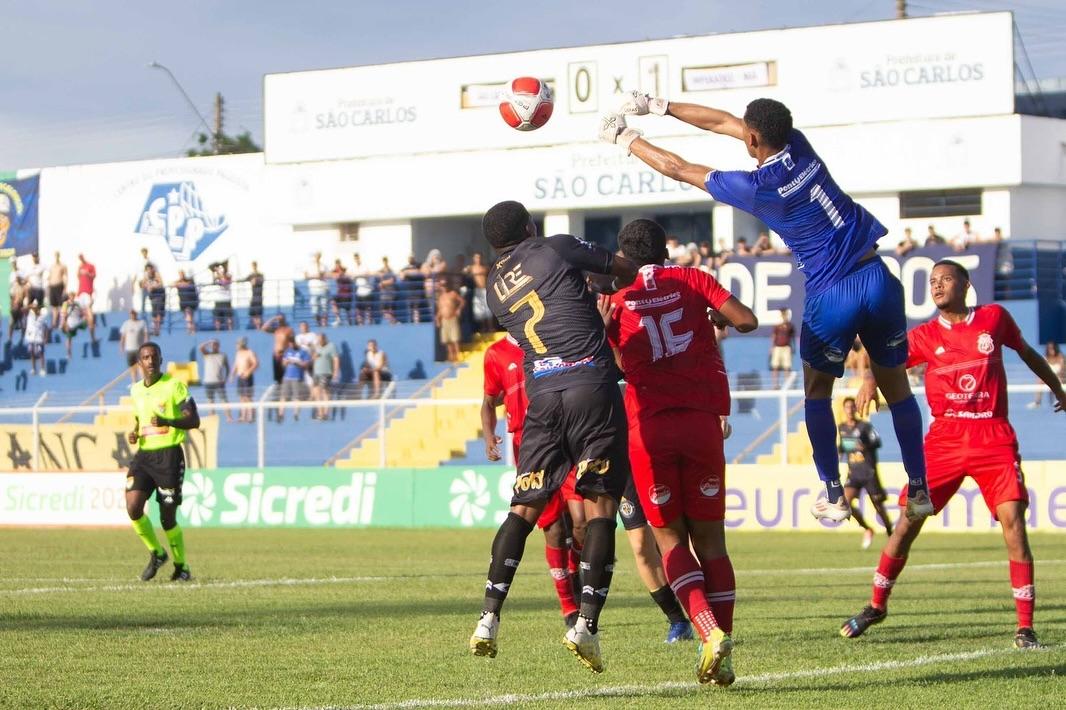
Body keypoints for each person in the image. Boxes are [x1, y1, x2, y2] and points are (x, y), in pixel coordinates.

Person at [602, 93, 933, 524]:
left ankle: (833, 494)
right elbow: (723, 122)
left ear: (754, 136)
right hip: (878, 276)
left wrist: (626, 137)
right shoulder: (798, 145)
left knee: (817, 392)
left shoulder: (757, 188)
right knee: (899, 390)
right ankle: (920, 488)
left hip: (833, 291)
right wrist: (657, 105)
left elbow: (679, 168)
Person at [841, 260, 1066, 649]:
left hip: (992, 435)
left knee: (1013, 522)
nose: (937, 286)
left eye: (945, 279)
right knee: (908, 523)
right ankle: (877, 605)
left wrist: (1058, 388)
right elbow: (885, 359)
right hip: (944, 439)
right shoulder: (925, 335)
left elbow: (1027, 352)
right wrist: (868, 380)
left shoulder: (994, 319)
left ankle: (1025, 628)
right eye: (932, 282)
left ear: (965, 284)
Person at [469, 200, 639, 674]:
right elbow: (622, 268)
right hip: (589, 383)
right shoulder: (556, 247)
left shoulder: (493, 288)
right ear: (528, 227)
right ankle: (585, 623)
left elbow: (548, 305)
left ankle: (489, 616)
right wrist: (609, 281)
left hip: (542, 398)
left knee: (523, 508)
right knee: (602, 506)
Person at [604, 218, 758, 686]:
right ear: (665, 250)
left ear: (624, 256)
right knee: (711, 541)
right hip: (701, 423)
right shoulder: (692, 278)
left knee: (670, 541)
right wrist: (713, 317)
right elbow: (747, 319)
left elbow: (611, 366)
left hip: (649, 430)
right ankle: (723, 652)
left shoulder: (616, 298)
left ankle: (708, 633)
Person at [483, 333, 691, 641]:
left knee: (590, 524)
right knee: (553, 527)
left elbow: (626, 370)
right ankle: (571, 607)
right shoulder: (500, 352)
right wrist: (491, 433)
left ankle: (688, 613)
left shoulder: (588, 335)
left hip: (598, 441)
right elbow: (491, 398)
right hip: (539, 444)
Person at [125, 341, 200, 582]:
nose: (150, 361)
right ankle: (157, 553)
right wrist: (135, 432)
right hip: (144, 456)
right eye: (145, 357)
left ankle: (182, 566)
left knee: (167, 518)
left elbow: (194, 420)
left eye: (154, 357)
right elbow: (140, 419)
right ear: (139, 362)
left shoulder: (174, 386)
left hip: (169, 456)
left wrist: (169, 420)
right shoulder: (135, 390)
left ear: (160, 359)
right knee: (133, 507)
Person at [837, 396, 893, 550]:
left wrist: (865, 446)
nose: (849, 410)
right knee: (845, 503)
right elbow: (842, 447)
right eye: (847, 408)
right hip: (853, 473)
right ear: (844, 410)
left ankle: (890, 533)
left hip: (868, 472)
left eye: (852, 407)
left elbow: (877, 442)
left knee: (878, 506)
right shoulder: (841, 428)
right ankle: (867, 529)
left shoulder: (865, 426)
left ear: (855, 409)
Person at [277, 333, 310, 423]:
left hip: (297, 377)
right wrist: (286, 362)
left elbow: (306, 364)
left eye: (293, 343)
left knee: (297, 397)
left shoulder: (303, 352)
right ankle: (280, 414)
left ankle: (296, 414)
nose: (291, 345)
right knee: (283, 396)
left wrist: (296, 362)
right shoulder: (287, 351)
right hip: (287, 377)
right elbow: (283, 364)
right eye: (290, 343)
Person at [199, 339, 233, 423]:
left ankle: (229, 417)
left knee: (224, 400)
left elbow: (227, 368)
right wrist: (209, 342)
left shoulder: (223, 355)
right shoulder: (207, 354)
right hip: (208, 381)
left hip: (219, 382)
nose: (213, 346)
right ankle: (211, 417)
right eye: (212, 345)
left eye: (215, 345)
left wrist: (226, 378)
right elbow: (200, 347)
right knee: (210, 400)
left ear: (218, 346)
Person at [311, 332, 340, 420]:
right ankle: (320, 413)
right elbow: (313, 358)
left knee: (324, 390)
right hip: (316, 372)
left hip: (326, 372)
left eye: (320, 340)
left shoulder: (331, 346)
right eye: (318, 340)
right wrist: (314, 356)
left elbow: (336, 359)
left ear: (324, 339)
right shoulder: (316, 346)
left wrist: (335, 372)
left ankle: (326, 413)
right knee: (316, 392)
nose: (319, 342)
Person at [1027, 342, 1064, 408]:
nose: (1051, 350)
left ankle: (1058, 400)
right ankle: (1037, 402)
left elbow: (1062, 370)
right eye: (1049, 348)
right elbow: (1042, 369)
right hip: (1048, 376)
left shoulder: (1060, 357)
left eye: (1052, 348)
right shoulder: (1045, 358)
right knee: (1040, 380)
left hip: (1059, 377)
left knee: (1057, 380)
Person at [231, 337, 259, 423]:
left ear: (242, 344)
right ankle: (243, 416)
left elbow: (256, 363)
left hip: (247, 377)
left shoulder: (249, 352)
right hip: (240, 377)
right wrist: (232, 375)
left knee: (248, 397)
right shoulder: (238, 353)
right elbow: (236, 365)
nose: (236, 346)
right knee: (242, 397)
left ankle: (251, 416)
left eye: (238, 344)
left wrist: (248, 372)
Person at [261, 313, 293, 385]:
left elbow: (291, 343)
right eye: (279, 319)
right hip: (276, 355)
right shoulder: (276, 329)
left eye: (281, 319)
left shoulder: (288, 330)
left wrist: (289, 355)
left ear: (284, 320)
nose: (280, 320)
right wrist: (274, 318)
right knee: (278, 378)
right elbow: (263, 328)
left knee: (285, 376)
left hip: (284, 355)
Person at [436, 282, 465, 363]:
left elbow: (462, 302)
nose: (443, 287)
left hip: (452, 318)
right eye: (442, 286)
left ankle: (458, 355)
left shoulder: (453, 294)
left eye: (445, 285)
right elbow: (440, 310)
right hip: (444, 320)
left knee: (455, 338)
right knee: (447, 339)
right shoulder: (440, 297)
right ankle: (451, 355)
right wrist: (437, 318)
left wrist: (458, 309)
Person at [467, 252, 493, 333]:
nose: (478, 259)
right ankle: (483, 328)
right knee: (479, 310)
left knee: (488, 309)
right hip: (477, 290)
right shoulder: (471, 268)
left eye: (479, 257)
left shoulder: (485, 268)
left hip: (485, 289)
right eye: (476, 257)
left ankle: (490, 327)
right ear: (474, 259)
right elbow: (464, 272)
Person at [769, 308, 795, 388]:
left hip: (786, 348)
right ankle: (775, 385)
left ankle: (787, 385)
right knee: (775, 366)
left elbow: (792, 337)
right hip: (777, 347)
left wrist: (793, 348)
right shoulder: (777, 326)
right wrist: (771, 347)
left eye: (785, 314)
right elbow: (773, 336)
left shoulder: (790, 326)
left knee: (787, 367)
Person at [119, 309, 148, 379]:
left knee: (141, 366)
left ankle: (143, 381)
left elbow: (146, 334)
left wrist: (146, 345)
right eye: (131, 314)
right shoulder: (126, 324)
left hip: (139, 349)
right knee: (132, 367)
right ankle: (134, 381)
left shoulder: (141, 323)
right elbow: (123, 336)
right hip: (129, 349)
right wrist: (121, 346)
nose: (133, 315)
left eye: (134, 314)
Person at [59, 291, 88, 359]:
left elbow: (81, 313)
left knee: (85, 323)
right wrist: (64, 324)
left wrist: (83, 316)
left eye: (73, 295)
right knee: (69, 338)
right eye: (70, 295)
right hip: (69, 323)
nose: (72, 297)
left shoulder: (77, 304)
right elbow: (63, 315)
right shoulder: (66, 304)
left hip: (76, 322)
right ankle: (69, 353)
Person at [76, 253, 97, 343]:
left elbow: (94, 276)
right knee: (80, 312)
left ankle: (92, 333)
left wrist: (87, 273)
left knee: (89, 312)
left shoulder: (90, 266)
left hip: (88, 292)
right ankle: (86, 325)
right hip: (80, 293)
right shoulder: (80, 267)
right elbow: (78, 278)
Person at [24, 300, 49, 376]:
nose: (35, 309)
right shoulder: (29, 314)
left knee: (41, 353)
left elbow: (46, 327)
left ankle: (42, 369)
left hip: (39, 336)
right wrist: (30, 306)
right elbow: (23, 309)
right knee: (32, 353)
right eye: (33, 307)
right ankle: (33, 369)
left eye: (36, 307)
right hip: (30, 336)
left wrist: (46, 337)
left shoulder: (43, 315)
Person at [305, 252, 328, 327]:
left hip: (322, 288)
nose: (317, 257)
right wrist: (316, 276)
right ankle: (318, 323)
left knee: (324, 307)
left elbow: (323, 275)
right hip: (313, 289)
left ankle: (324, 324)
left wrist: (317, 275)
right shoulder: (309, 266)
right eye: (316, 256)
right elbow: (306, 276)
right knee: (314, 308)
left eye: (319, 256)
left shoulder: (323, 265)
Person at [141, 265, 165, 336]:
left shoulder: (156, 274)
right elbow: (143, 284)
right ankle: (154, 329)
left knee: (158, 313)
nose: (149, 271)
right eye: (147, 270)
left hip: (159, 295)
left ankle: (157, 329)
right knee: (154, 313)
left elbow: (161, 283)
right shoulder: (146, 276)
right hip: (153, 296)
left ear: (152, 269)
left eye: (150, 269)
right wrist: (147, 286)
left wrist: (153, 286)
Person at [331, 260, 354, 326]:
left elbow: (347, 278)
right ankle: (338, 319)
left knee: (347, 311)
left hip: (347, 296)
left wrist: (340, 271)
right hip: (340, 296)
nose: (339, 272)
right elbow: (332, 274)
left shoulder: (347, 277)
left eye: (340, 270)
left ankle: (350, 322)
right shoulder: (338, 277)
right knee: (333, 302)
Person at [47, 252, 68, 326]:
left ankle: (62, 323)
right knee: (54, 307)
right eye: (55, 255)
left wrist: (65, 288)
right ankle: (54, 323)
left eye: (57, 255)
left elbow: (65, 277)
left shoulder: (62, 266)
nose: (56, 257)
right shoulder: (52, 266)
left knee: (62, 305)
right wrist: (48, 288)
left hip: (59, 286)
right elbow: (49, 277)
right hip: (52, 287)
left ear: (59, 256)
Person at [211, 263, 234, 331]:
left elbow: (225, 281)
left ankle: (230, 331)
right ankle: (218, 331)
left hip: (226, 300)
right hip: (218, 300)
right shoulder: (217, 276)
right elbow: (215, 280)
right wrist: (216, 272)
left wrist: (219, 273)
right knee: (217, 319)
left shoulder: (228, 275)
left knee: (229, 318)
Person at [245, 261, 265, 330]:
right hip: (253, 297)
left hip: (259, 297)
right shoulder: (251, 275)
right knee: (253, 314)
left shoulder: (260, 274)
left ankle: (258, 327)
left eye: (254, 266)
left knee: (258, 314)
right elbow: (245, 280)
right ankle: (257, 327)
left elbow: (260, 280)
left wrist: (255, 280)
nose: (254, 267)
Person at [7, 274, 27, 344]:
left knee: (23, 324)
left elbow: (25, 298)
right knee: (11, 324)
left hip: (21, 308)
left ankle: (22, 338)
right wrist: (12, 307)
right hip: (14, 308)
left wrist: (24, 307)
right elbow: (11, 298)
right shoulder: (13, 287)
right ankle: (9, 338)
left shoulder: (24, 288)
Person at [378, 257, 398, 324]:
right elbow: (379, 281)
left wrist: (383, 283)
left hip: (390, 294)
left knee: (390, 310)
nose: (385, 262)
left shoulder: (391, 271)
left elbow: (392, 280)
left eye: (385, 260)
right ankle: (391, 322)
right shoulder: (381, 271)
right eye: (384, 261)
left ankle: (393, 322)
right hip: (383, 295)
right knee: (383, 310)